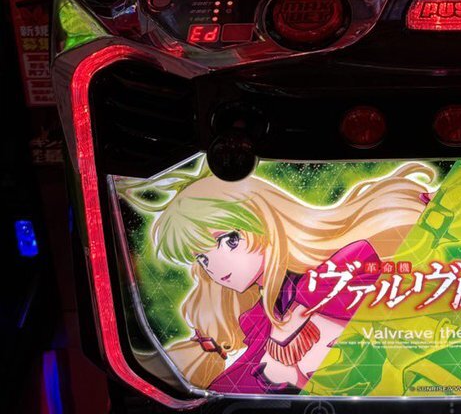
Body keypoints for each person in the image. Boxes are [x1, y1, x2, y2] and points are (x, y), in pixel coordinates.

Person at [118, 161, 437, 395]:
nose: (215, 265)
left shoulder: (331, 280)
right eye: (202, 258)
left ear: (265, 220)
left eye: (229, 240)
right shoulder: (264, 316)